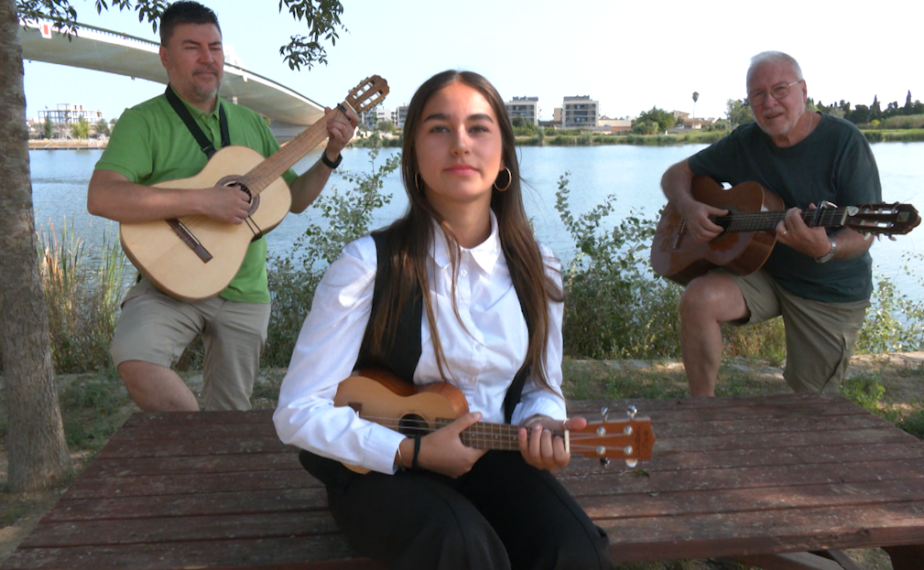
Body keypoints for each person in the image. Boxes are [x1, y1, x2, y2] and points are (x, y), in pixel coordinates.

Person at [274, 70, 612, 570]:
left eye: (478, 128)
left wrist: (542, 421)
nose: (460, 143)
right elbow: (298, 411)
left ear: (504, 156)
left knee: (576, 549)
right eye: (438, 128)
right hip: (378, 466)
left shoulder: (538, 269)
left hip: (491, 457)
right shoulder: (369, 265)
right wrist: (410, 453)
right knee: (460, 547)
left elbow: (542, 385)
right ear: (413, 157)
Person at [87, 1, 358, 412]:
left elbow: (296, 200)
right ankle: (196, 434)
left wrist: (330, 154)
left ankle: (208, 448)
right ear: (165, 56)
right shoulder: (142, 122)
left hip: (245, 289)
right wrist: (203, 200)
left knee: (231, 414)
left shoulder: (250, 123)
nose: (207, 58)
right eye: (192, 47)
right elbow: (102, 196)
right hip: (169, 279)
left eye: (215, 47)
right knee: (136, 357)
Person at [660, 51, 882, 397]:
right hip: (762, 271)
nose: (769, 103)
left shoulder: (844, 142)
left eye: (780, 90)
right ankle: (701, 410)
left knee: (810, 406)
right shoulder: (745, 142)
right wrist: (689, 208)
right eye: (758, 95)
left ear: (803, 91)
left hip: (828, 289)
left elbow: (864, 231)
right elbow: (676, 174)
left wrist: (826, 247)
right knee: (698, 299)